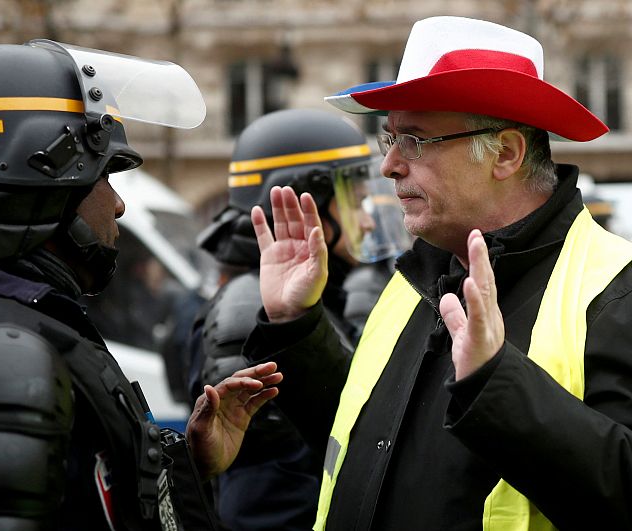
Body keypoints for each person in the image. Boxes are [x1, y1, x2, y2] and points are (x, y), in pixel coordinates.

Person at [0, 39, 281, 530]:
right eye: (104, 175)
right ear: (46, 173)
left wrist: (185, 465)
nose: (117, 204)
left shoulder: (5, 321)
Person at [244, 16, 632, 530]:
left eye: (418, 140)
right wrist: (297, 326)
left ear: (506, 153)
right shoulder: (419, 276)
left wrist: (497, 384)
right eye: (392, 140)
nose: (390, 166)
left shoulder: (614, 290)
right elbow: (372, 443)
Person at [192, 108, 405, 530]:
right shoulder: (249, 312)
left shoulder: (308, 297)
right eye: (355, 201)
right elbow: (277, 488)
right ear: (298, 199)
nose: (366, 219)